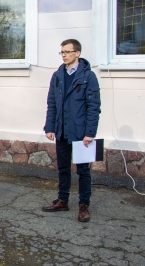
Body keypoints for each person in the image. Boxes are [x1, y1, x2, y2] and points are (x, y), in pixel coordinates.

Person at [42, 39, 101, 223]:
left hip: (81, 133)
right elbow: (51, 103)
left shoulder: (88, 76)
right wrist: (50, 126)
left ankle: (84, 205)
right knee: (63, 168)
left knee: (83, 171)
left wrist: (90, 132)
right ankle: (63, 200)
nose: (64, 55)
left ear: (78, 53)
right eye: (62, 52)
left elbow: (94, 106)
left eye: (68, 51)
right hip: (61, 131)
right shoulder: (57, 76)